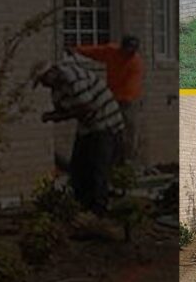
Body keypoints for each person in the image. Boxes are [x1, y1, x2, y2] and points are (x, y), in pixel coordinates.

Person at [35, 60, 125, 216]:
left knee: (98, 169)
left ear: (51, 73)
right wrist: (54, 115)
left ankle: (99, 211)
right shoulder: (57, 88)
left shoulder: (74, 78)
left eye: (43, 81)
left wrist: (56, 116)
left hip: (106, 124)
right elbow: (64, 109)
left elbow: (86, 108)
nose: (44, 85)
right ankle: (82, 207)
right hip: (87, 127)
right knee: (78, 169)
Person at [73, 35, 144, 163]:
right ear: (122, 47)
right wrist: (77, 50)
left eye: (132, 50)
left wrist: (119, 100)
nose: (129, 53)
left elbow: (131, 86)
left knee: (128, 129)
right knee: (108, 128)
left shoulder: (135, 62)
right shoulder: (111, 51)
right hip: (111, 98)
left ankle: (129, 159)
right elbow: (95, 52)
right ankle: (113, 157)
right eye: (127, 49)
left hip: (127, 101)